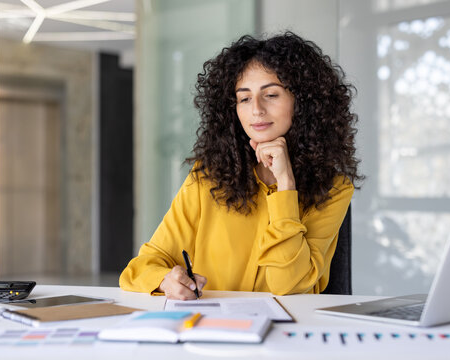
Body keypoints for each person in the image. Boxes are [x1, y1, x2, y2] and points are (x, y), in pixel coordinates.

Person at [120, 32, 362, 300]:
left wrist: (285, 186)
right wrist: (166, 281)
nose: (256, 109)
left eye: (271, 95)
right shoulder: (208, 176)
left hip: (287, 333)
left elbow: (287, 285)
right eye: (244, 98)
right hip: (211, 329)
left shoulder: (334, 188)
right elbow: (141, 267)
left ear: (303, 103)